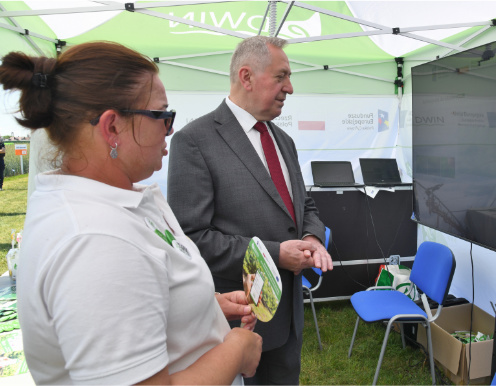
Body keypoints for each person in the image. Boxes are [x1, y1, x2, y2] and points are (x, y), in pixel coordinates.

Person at [0, 41, 262, 385]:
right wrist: (237, 350)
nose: (169, 128)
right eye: (162, 115)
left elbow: (134, 293)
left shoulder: (115, 201)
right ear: (112, 127)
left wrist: (199, 303)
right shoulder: (96, 241)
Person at [167, 35, 333, 385]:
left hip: (288, 314)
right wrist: (276, 255)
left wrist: (311, 236)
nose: (290, 87)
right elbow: (192, 239)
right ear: (246, 77)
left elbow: (305, 204)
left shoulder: (282, 140)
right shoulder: (194, 141)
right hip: (236, 323)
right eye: (281, 76)